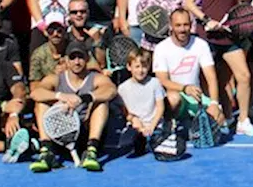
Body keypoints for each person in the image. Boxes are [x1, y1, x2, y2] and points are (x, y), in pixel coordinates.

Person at [185, 0, 253, 137]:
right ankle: (213, 119)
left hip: (228, 37)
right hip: (207, 37)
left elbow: (236, 10)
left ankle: (243, 120)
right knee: (210, 81)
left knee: (243, 76)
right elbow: (189, 3)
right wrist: (206, 20)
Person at [29, 39, 116, 172]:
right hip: (60, 134)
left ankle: (91, 151)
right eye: (73, 58)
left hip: (86, 132)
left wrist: (84, 98)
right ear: (66, 60)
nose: (77, 62)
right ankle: (46, 151)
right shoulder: (56, 79)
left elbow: (110, 90)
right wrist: (61, 96)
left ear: (87, 59)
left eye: (80, 57)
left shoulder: (95, 78)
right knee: (41, 103)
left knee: (102, 103)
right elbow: (36, 93)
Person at [153, 9, 225, 126]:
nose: (182, 29)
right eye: (178, 25)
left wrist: (214, 103)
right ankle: (169, 125)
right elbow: (162, 80)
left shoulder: (201, 44)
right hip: (175, 96)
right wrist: (184, 88)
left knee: (219, 121)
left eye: (186, 25)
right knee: (173, 98)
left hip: (195, 96)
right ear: (171, 26)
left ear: (191, 25)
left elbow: (211, 77)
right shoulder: (161, 48)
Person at [118, 48, 166, 156]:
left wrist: (152, 126)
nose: (141, 70)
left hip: (154, 127)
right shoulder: (122, 88)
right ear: (129, 67)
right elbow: (125, 112)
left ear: (149, 67)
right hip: (135, 127)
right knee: (129, 144)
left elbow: (160, 107)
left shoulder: (155, 83)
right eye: (137, 67)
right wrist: (136, 122)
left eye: (144, 66)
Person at [29, 21, 69, 90]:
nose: (55, 34)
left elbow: (92, 67)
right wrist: (53, 77)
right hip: (50, 93)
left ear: (65, 31)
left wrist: (70, 70)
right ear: (46, 32)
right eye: (51, 31)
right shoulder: (38, 54)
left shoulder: (73, 47)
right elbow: (33, 86)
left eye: (59, 30)